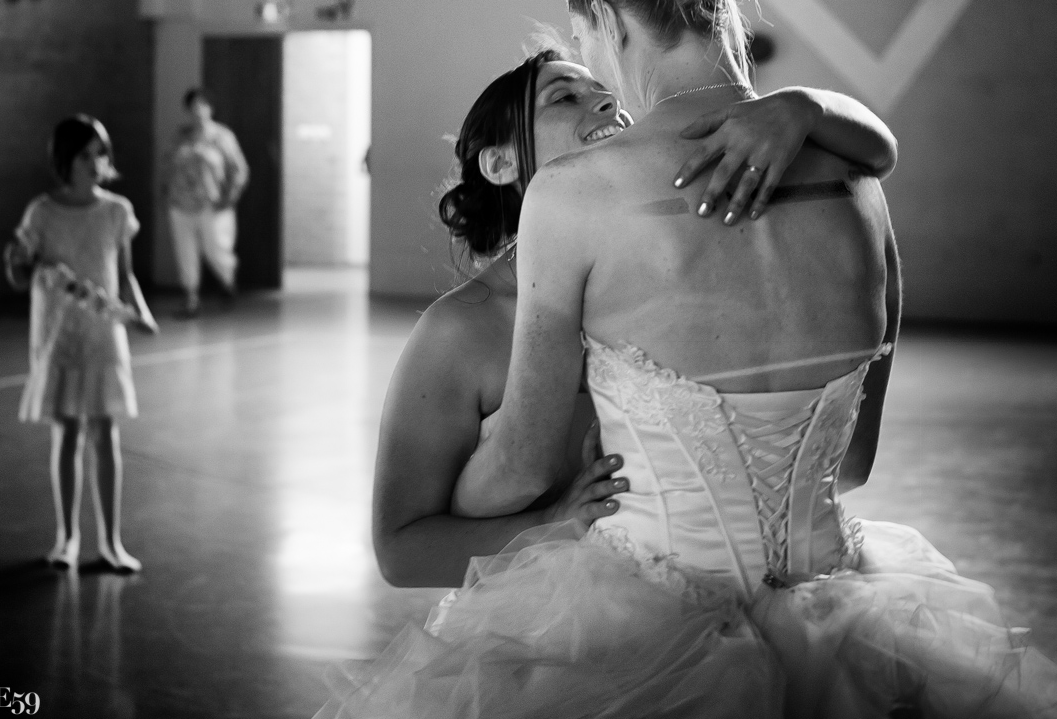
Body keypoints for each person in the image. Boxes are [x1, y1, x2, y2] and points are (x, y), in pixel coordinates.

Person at [322, 0, 1057, 718]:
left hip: (640, 628)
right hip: (846, 619)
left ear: (608, 18)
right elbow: (852, 464)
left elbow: (521, 463)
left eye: (583, 39)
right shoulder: (861, 188)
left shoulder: (574, 196)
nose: (597, 76)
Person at [374, 50, 901, 590]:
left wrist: (805, 109)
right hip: (582, 614)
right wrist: (551, 525)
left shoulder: (674, 288)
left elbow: (849, 465)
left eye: (605, 91)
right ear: (499, 163)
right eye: (564, 98)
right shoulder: (459, 331)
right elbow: (401, 552)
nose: (609, 102)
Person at [5, 116, 157, 572]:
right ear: (65, 159)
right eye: (85, 154)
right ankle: (66, 539)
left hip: (103, 337)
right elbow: (20, 275)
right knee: (67, 430)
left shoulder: (116, 211)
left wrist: (140, 313)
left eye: (101, 153)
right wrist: (17, 263)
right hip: (59, 335)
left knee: (105, 431)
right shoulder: (42, 212)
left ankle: (111, 542)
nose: (96, 163)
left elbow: (125, 274)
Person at [164, 87, 249, 317]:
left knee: (216, 249)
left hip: (211, 204)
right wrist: (167, 190)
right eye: (193, 106)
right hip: (181, 203)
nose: (198, 111)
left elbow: (239, 169)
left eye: (202, 105)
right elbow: (168, 165)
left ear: (210, 108)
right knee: (185, 252)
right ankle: (190, 298)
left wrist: (230, 197)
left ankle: (228, 283)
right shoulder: (180, 137)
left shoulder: (222, 137)